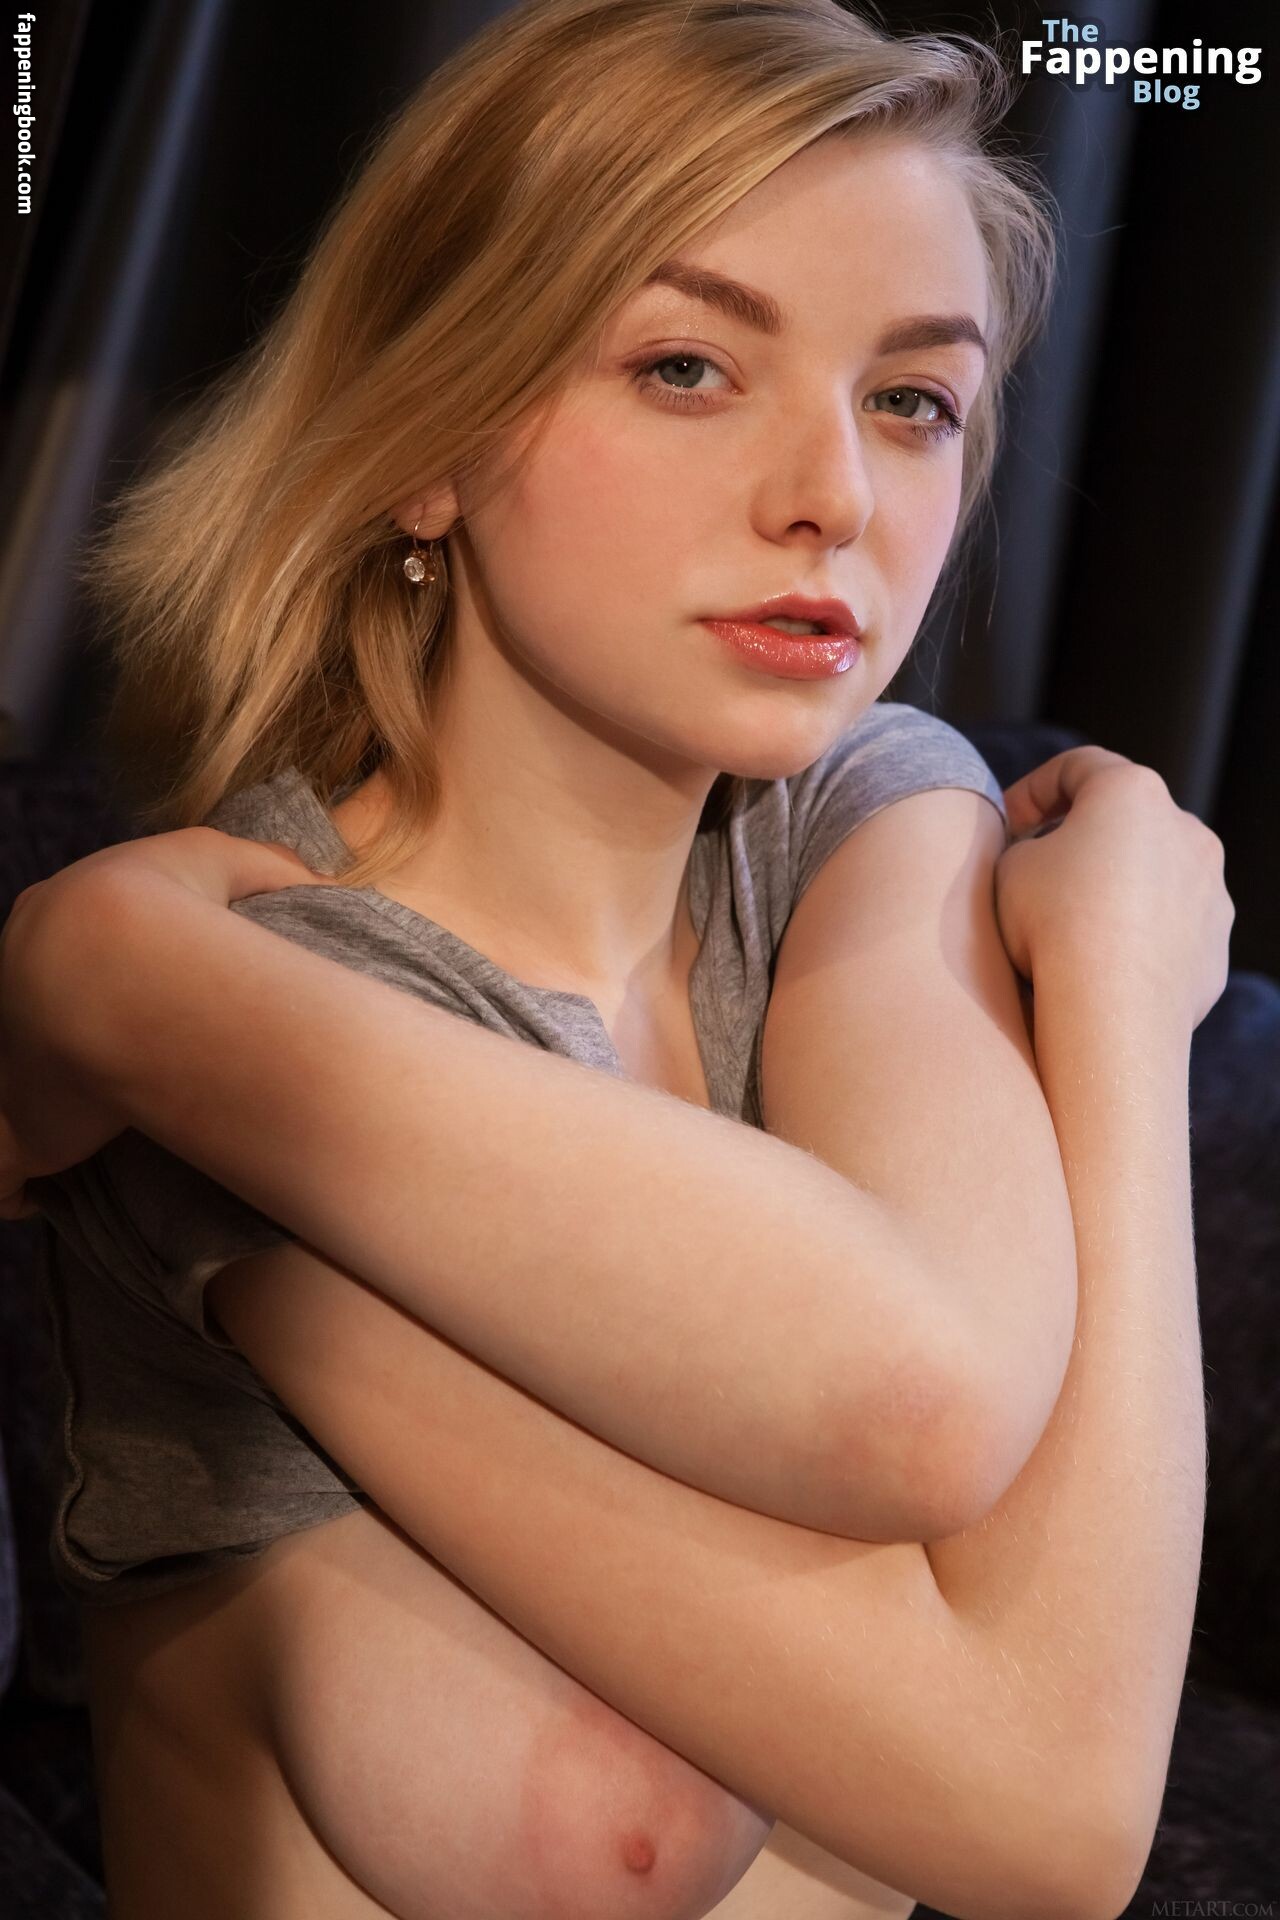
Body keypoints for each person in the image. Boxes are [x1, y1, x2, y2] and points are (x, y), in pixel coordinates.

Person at [0, 1, 1231, 1915]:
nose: (835, 495)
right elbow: (1035, 1789)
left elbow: (966, 1448)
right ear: (430, 439)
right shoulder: (275, 993)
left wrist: (1129, 1003)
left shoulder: (868, 816)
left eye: (913, 400)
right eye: (686, 366)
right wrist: (129, 989)